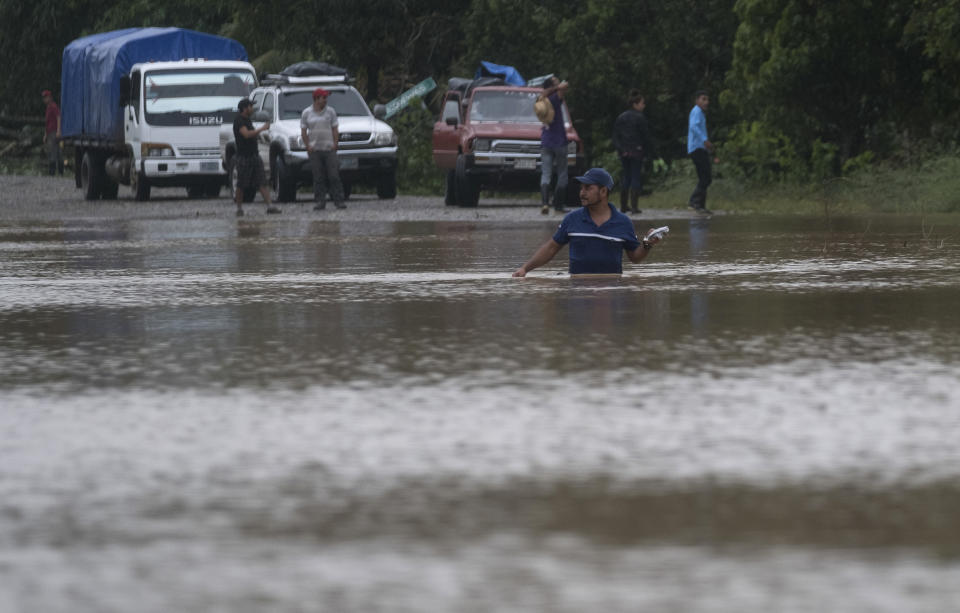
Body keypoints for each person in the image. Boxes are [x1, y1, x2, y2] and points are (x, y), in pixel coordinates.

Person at [513, 168, 663, 277]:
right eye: (581, 188)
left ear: (603, 191)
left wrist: (647, 243)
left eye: (588, 188)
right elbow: (551, 248)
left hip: (611, 291)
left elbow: (635, 257)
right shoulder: (572, 219)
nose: (582, 193)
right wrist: (525, 269)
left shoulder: (623, 222)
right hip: (577, 290)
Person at [232, 98, 280, 216]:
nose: (252, 108)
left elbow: (251, 135)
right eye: (250, 106)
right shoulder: (239, 121)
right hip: (244, 157)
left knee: (262, 182)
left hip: (254, 155)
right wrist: (262, 129)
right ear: (245, 108)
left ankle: (270, 206)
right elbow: (246, 134)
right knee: (241, 184)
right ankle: (239, 208)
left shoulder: (247, 120)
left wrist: (260, 136)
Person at [301, 87, 345, 211]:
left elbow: (335, 129)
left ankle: (339, 200)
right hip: (314, 150)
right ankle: (320, 201)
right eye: (323, 98)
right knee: (318, 177)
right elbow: (304, 131)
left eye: (326, 98)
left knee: (334, 175)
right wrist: (307, 145)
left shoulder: (330, 112)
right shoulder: (306, 113)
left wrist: (335, 143)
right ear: (316, 99)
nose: (325, 100)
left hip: (329, 148)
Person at [612, 89, 654, 215]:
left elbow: (615, 136)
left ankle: (624, 206)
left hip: (624, 152)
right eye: (642, 103)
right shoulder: (640, 118)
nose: (643, 105)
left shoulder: (621, 117)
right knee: (635, 176)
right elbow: (645, 136)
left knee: (626, 176)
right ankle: (634, 206)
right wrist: (649, 151)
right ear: (635, 104)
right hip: (636, 151)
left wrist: (620, 149)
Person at [537, 77, 570, 215]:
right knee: (562, 173)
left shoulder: (540, 100)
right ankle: (558, 205)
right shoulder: (556, 97)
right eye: (556, 82)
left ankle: (545, 203)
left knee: (546, 174)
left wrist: (553, 87)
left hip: (546, 140)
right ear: (552, 86)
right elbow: (564, 87)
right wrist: (560, 86)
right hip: (559, 141)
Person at [687, 90, 714, 215]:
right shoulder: (696, 111)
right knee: (706, 177)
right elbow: (694, 127)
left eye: (707, 99)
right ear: (697, 100)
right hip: (697, 148)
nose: (706, 102)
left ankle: (700, 205)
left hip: (699, 148)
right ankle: (694, 202)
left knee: (705, 177)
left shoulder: (700, 113)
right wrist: (705, 140)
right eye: (703, 99)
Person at [41, 90, 63, 176]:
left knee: (54, 152)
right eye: (44, 97)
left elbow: (58, 117)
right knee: (53, 151)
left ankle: (53, 173)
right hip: (49, 132)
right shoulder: (48, 107)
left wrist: (58, 130)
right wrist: (45, 134)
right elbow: (47, 122)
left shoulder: (53, 106)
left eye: (46, 97)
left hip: (54, 132)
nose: (44, 99)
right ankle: (57, 172)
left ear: (50, 97)